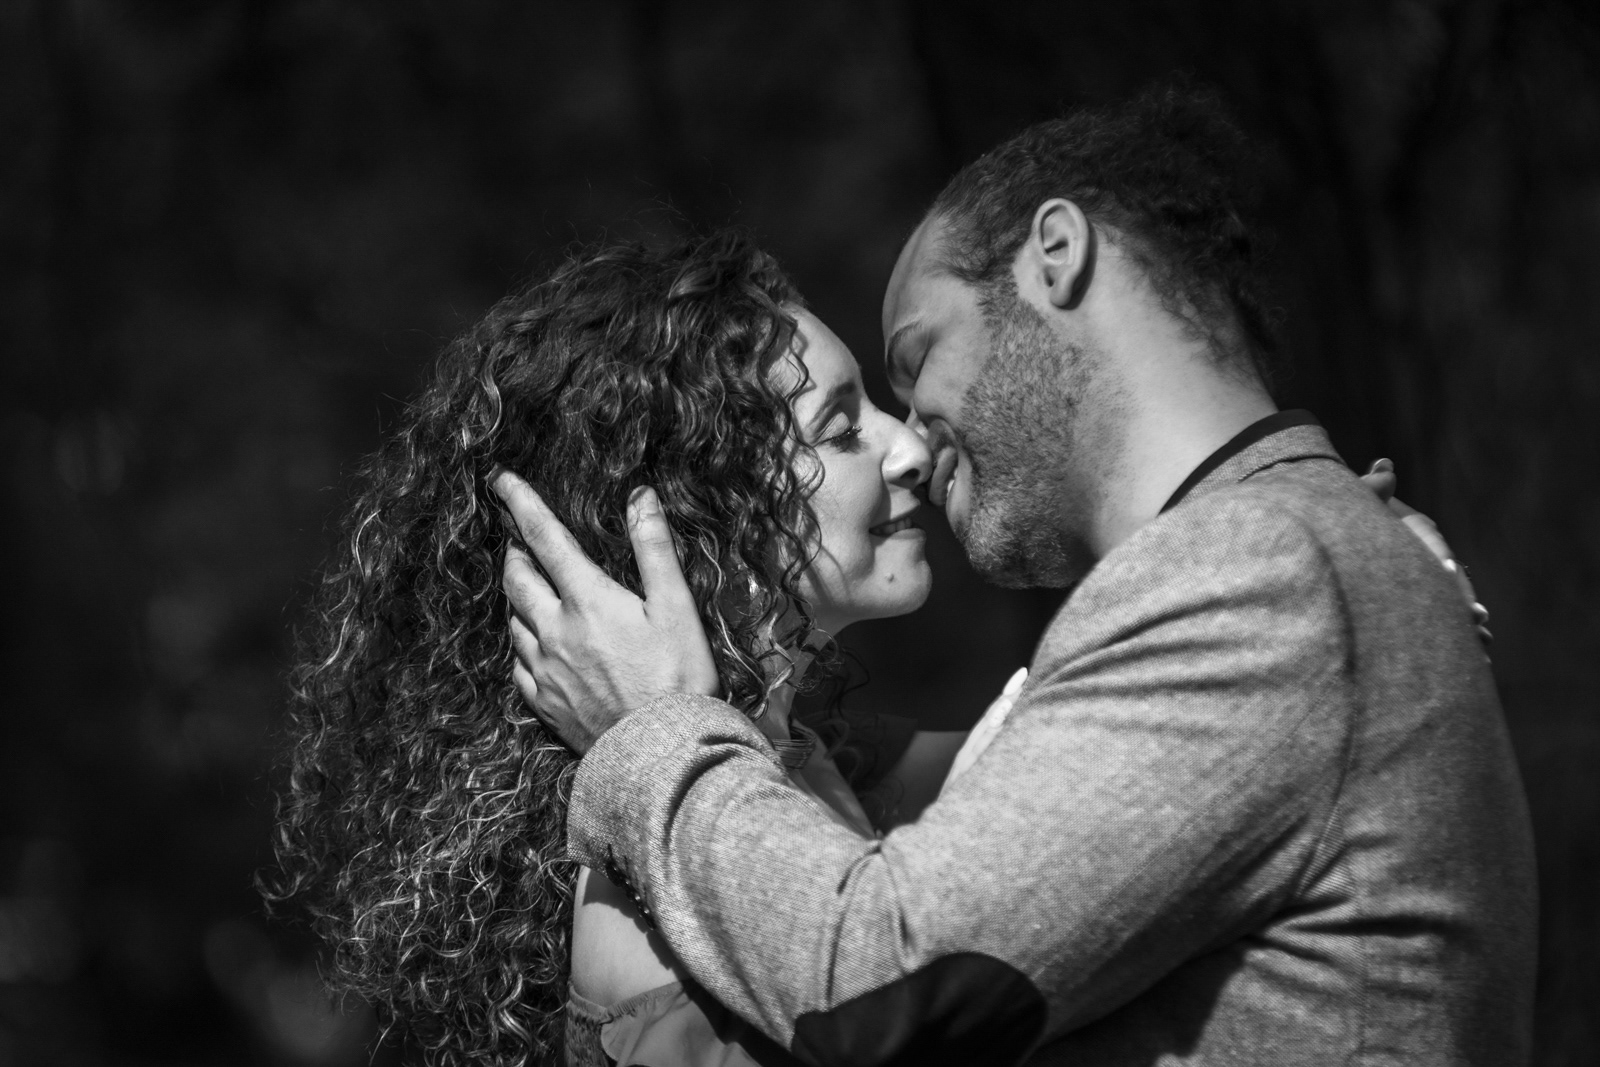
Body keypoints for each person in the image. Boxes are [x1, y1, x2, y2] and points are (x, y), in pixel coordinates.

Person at [493, 84, 1537, 1065]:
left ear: (1057, 257)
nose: (913, 440)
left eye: (916, 358)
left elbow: (880, 973)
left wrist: (653, 733)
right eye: (848, 421)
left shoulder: (1261, 571)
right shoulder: (1295, 559)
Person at [267, 231, 1044, 1066]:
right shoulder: (644, 920)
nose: (912, 449)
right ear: (703, 513)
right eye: (841, 428)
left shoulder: (807, 758)